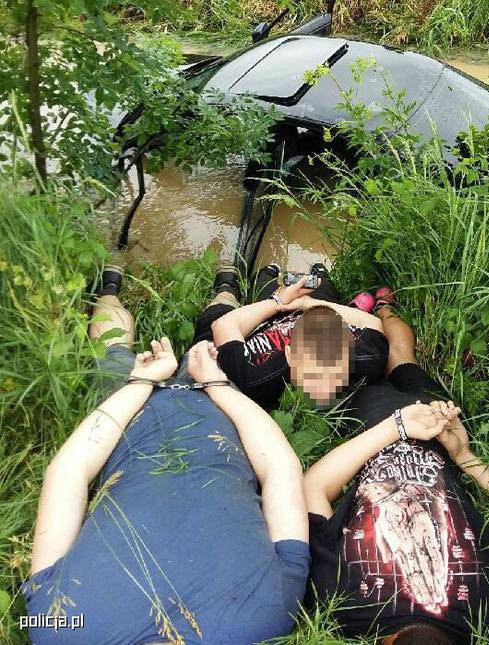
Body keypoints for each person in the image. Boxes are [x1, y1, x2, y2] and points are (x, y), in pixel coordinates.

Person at [22, 267, 310, 645]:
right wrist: (217, 385)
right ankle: (225, 285)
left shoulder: (58, 627)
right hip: (215, 404)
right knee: (214, 335)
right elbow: (281, 470)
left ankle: (110, 285)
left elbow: (68, 473)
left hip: (124, 417)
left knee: (112, 352)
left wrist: (140, 383)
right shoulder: (264, 618)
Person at [303, 289, 489, 644]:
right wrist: (465, 457)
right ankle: (382, 308)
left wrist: (395, 426)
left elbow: (314, 487)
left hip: (372, 425)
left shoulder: (343, 610)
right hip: (439, 429)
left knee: (348, 367)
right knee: (402, 360)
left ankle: (351, 310)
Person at [192, 263, 389, 408]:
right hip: (300, 306)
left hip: (276, 313)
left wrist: (280, 302)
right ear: (289, 354)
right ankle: (289, 271)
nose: (325, 387)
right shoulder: (367, 357)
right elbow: (373, 323)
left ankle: (230, 289)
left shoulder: (254, 377)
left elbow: (223, 324)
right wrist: (297, 303)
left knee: (217, 316)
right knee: (319, 287)